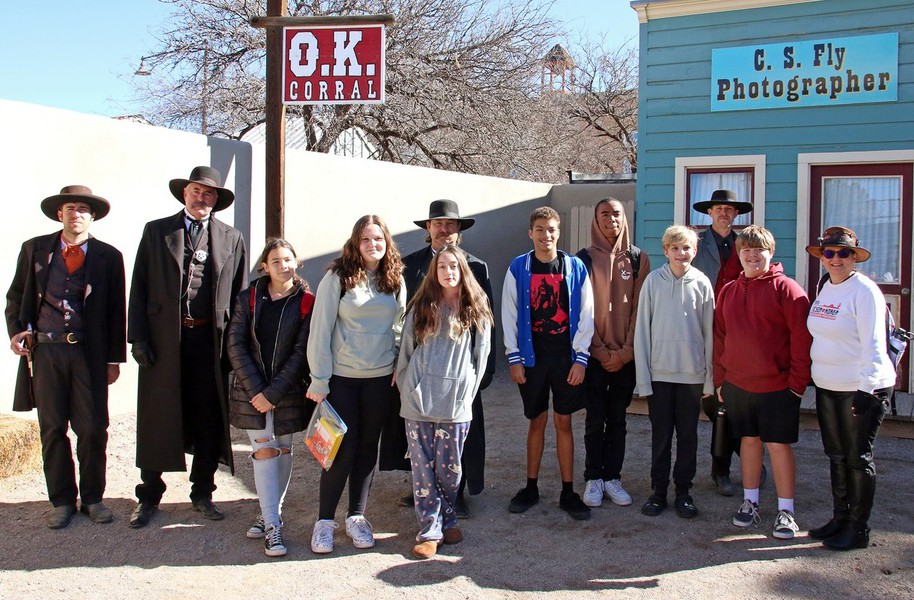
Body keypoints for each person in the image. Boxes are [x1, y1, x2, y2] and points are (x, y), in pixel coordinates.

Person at [128, 166, 247, 529]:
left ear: (216, 201)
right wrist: (139, 339)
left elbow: (240, 295)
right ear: (185, 194)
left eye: (209, 194)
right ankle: (149, 494)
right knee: (158, 416)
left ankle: (202, 491)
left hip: (209, 341)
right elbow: (139, 286)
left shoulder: (232, 237)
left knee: (209, 417)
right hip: (165, 341)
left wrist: (235, 346)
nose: (202, 199)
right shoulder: (157, 231)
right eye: (196, 191)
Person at [6, 186, 126, 529]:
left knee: (92, 428)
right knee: (52, 427)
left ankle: (92, 498)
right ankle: (61, 500)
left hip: (89, 353)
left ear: (92, 216)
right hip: (47, 351)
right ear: (60, 214)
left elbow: (118, 310)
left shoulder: (109, 256)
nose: (76, 213)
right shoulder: (35, 250)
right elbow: (16, 297)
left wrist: (113, 359)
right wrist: (17, 330)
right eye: (70, 207)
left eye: (83, 208)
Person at [381, 199, 495, 519]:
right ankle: (422, 486)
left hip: (461, 367)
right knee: (419, 429)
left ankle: (456, 493)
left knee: (460, 432)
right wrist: (399, 366)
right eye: (438, 224)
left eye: (451, 224)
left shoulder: (477, 267)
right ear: (428, 228)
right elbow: (399, 318)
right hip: (421, 365)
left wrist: (482, 373)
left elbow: (487, 322)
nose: (444, 230)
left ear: (459, 230)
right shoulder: (408, 265)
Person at [306, 215, 406, 554]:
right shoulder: (338, 278)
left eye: (378, 239)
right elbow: (320, 330)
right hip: (342, 380)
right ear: (355, 243)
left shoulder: (394, 280)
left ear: (386, 242)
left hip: (379, 380)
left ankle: (357, 517)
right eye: (366, 239)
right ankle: (324, 523)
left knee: (367, 448)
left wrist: (396, 362)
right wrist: (319, 379)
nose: (373, 245)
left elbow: (401, 325)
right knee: (340, 450)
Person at [713, 225, 811, 540]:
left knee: (778, 446)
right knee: (749, 442)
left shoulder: (789, 290)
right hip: (738, 385)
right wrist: (720, 379)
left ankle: (786, 511)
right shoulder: (728, 290)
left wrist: (797, 384)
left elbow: (802, 341)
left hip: (778, 387)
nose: (753, 256)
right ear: (739, 254)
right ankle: (750, 502)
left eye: (759, 250)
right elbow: (720, 339)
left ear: (771, 253)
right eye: (747, 251)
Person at [396, 244, 492, 559]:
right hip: (419, 402)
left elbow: (482, 355)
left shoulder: (475, 307)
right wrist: (409, 388)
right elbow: (406, 351)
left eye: (453, 266)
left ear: (462, 270)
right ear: (434, 272)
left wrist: (467, 390)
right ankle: (429, 530)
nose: (448, 271)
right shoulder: (421, 306)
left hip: (456, 403)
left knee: (449, 469)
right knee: (423, 469)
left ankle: (448, 517)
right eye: (442, 267)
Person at [805, 226, 895, 550]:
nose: (836, 259)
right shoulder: (825, 286)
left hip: (861, 387)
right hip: (828, 386)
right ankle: (840, 518)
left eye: (844, 253)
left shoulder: (865, 291)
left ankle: (858, 529)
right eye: (829, 253)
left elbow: (875, 344)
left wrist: (866, 388)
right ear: (822, 257)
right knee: (836, 455)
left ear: (854, 257)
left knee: (858, 457)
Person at [503, 206, 594, 520]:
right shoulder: (519, 267)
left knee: (564, 422)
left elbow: (587, 314)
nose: (546, 235)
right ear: (531, 233)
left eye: (551, 229)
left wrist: (581, 359)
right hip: (532, 359)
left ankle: (569, 491)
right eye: (540, 229)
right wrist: (514, 358)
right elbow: (510, 314)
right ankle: (531, 487)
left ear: (559, 232)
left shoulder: (575, 267)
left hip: (565, 358)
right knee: (536, 421)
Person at [227, 239, 314, 557]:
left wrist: (274, 393)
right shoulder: (247, 298)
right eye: (275, 261)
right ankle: (275, 528)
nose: (283, 265)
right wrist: (258, 392)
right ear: (264, 266)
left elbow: (302, 352)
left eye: (288, 259)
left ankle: (268, 514)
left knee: (283, 448)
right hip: (250, 392)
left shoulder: (307, 301)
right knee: (264, 450)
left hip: (287, 390)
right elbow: (235, 345)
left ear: (297, 262)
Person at [634, 225, 714, 519]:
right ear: (665, 250)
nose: (682, 254)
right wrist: (644, 378)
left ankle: (684, 492)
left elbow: (709, 334)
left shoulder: (702, 283)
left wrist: (709, 379)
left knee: (688, 437)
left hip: (692, 376)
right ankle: (658, 492)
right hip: (660, 375)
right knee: (661, 436)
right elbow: (642, 331)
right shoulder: (653, 282)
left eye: (687, 248)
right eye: (675, 248)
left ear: (695, 251)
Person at [576, 198, 649, 508]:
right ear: (596, 220)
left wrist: (625, 352)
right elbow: (580, 311)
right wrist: (601, 352)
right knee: (594, 419)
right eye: (604, 214)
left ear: (624, 218)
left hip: (625, 357)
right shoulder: (582, 259)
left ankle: (612, 477)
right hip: (594, 357)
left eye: (616, 213)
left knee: (618, 420)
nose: (611, 219)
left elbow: (639, 311)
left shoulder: (637, 259)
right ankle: (593, 477)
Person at [691, 188, 755, 497]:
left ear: (736, 214)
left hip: (739, 330)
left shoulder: (747, 244)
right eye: (718, 208)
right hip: (703, 327)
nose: (724, 213)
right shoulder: (696, 244)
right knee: (713, 401)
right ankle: (725, 466)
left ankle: (727, 466)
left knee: (734, 399)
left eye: (729, 209)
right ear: (709, 213)